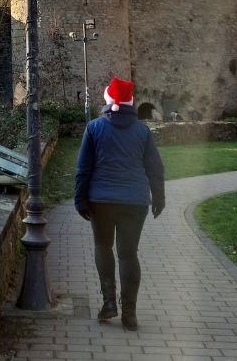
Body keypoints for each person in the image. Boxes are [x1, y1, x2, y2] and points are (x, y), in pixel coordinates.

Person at [74, 76, 165, 331]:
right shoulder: (142, 131)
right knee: (128, 254)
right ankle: (130, 314)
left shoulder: (94, 128)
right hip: (135, 201)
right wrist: (159, 197)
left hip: (101, 200)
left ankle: (109, 303)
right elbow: (155, 168)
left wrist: (80, 199)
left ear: (108, 100)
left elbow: (83, 169)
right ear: (130, 102)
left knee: (103, 246)